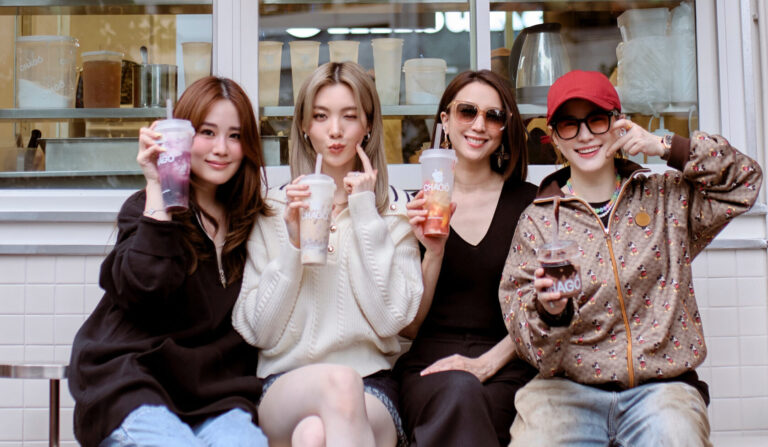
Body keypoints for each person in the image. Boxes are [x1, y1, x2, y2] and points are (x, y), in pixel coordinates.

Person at [500, 70, 763, 446]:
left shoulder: (666, 198)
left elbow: (744, 181)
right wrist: (551, 313)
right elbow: (527, 340)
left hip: (662, 389)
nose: (585, 135)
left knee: (676, 436)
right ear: (555, 137)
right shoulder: (538, 222)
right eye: (570, 125)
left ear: (619, 124)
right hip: (565, 392)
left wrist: (665, 146)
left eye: (596, 119)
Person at [68, 76, 270, 447]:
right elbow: (143, 287)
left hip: (215, 397)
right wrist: (156, 185)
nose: (221, 148)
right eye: (207, 132)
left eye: (235, 136)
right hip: (134, 384)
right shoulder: (147, 210)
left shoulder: (251, 224)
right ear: (183, 135)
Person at [232, 61, 422, 447]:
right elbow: (258, 331)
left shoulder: (394, 217)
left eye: (349, 116)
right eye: (321, 116)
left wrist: (365, 212)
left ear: (368, 125)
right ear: (305, 126)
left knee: (313, 434)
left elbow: (392, 319)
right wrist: (293, 244)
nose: (335, 130)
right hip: (284, 383)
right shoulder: (272, 211)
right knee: (337, 385)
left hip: (372, 388)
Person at [394, 69, 538, 446]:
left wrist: (486, 364)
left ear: (505, 127)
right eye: (467, 111)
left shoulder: (531, 203)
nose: (479, 125)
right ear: (445, 120)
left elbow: (543, 308)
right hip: (431, 368)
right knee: (459, 391)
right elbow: (409, 327)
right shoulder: (420, 206)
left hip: (507, 366)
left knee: (469, 397)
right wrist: (434, 252)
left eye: (493, 115)